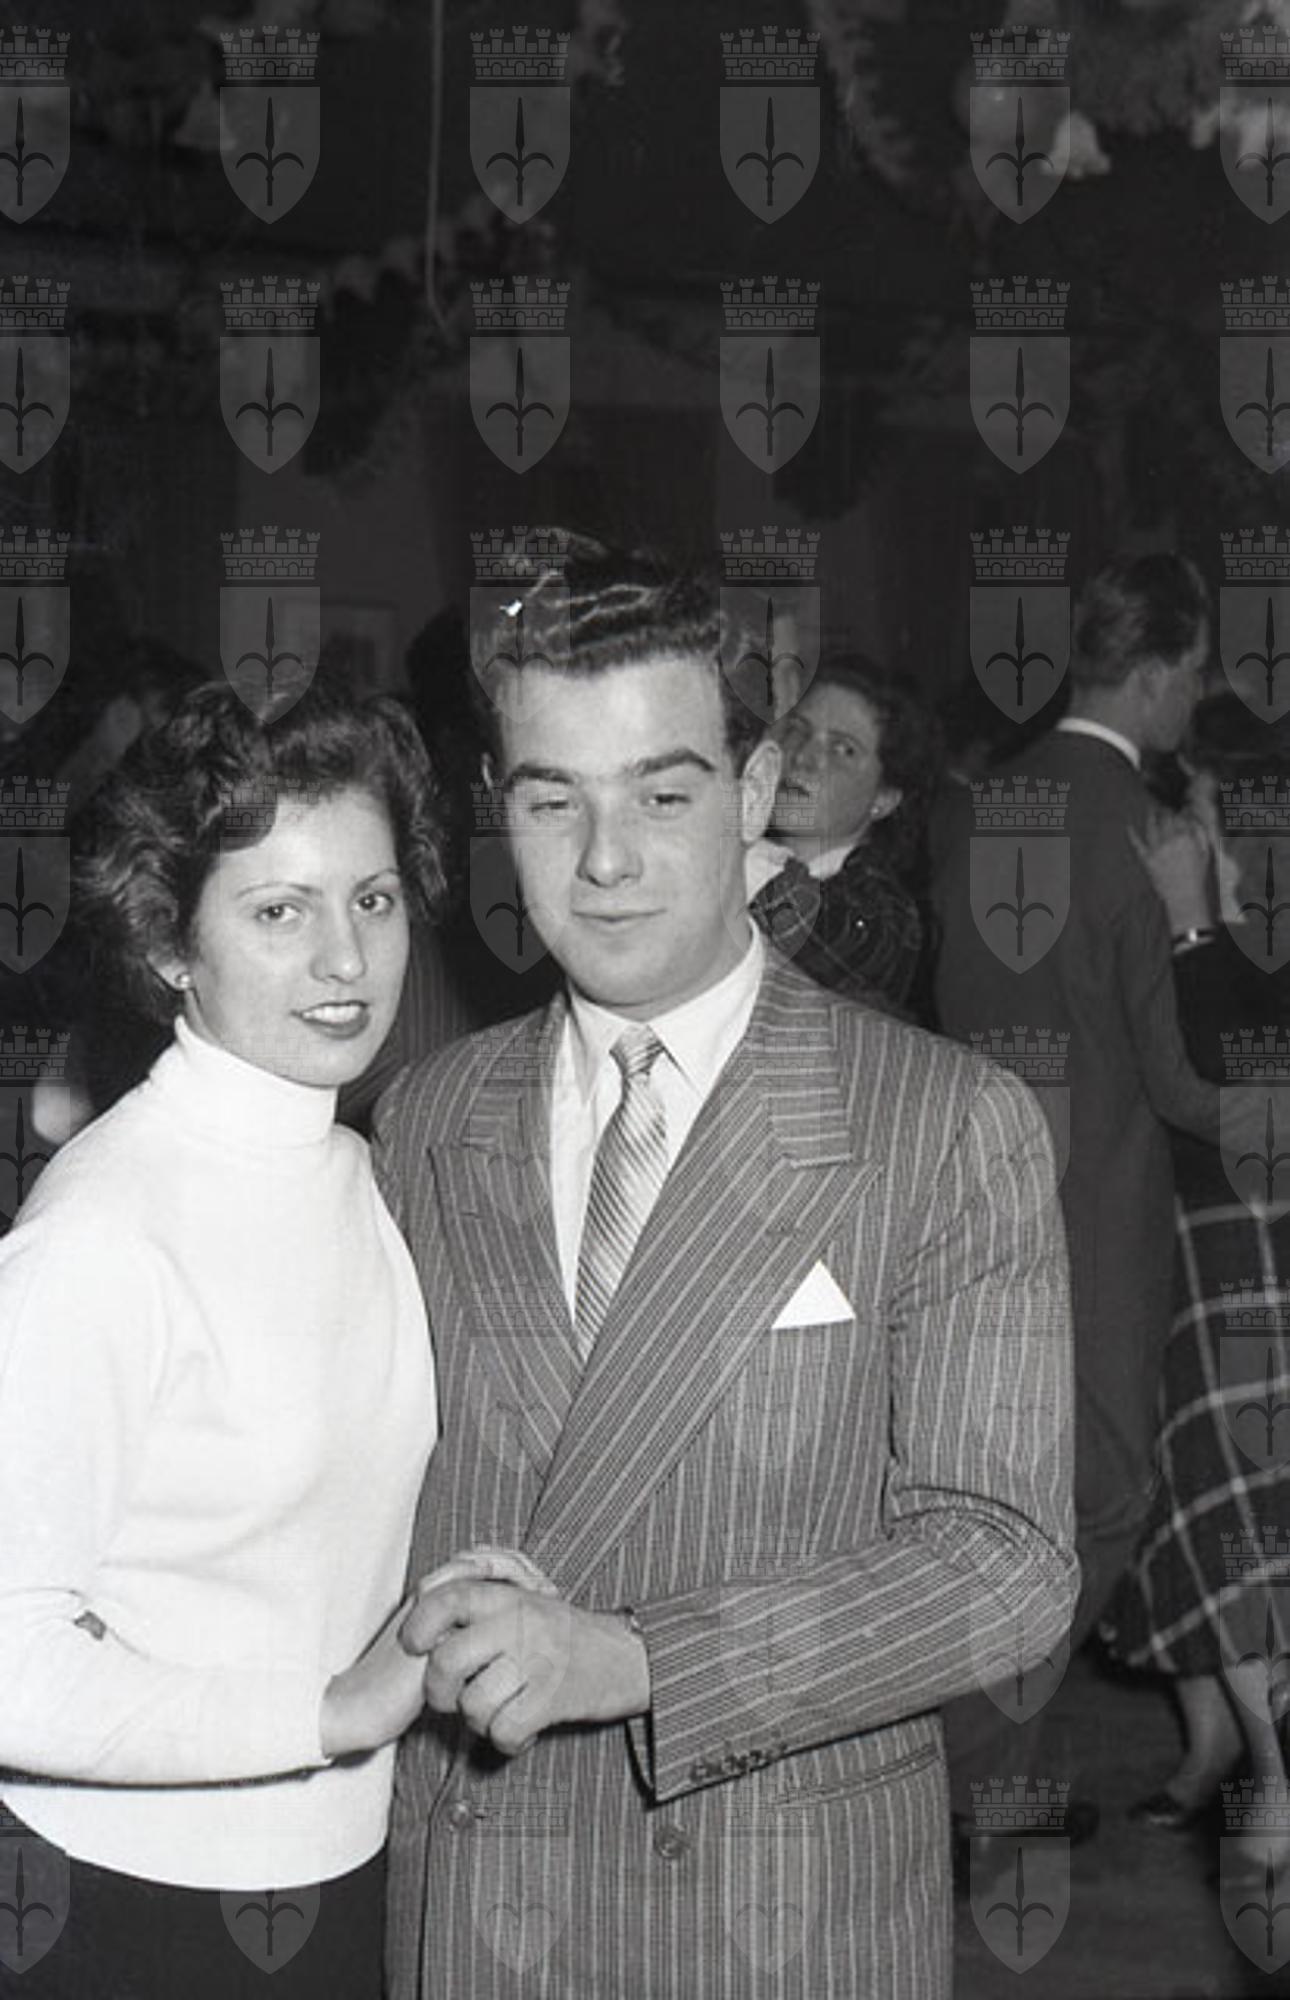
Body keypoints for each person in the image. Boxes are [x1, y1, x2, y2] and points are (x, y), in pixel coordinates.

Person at [374, 548, 1076, 1999]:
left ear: (754, 793)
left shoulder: (940, 1122)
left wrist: (638, 1661)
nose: (604, 860)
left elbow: (1005, 1568)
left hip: (772, 1915)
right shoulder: (429, 1114)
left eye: (662, 795)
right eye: (551, 800)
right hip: (478, 1900)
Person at [0, 679, 532, 2000]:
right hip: (124, 1903)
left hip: (336, 1869)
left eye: (372, 899)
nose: (346, 961)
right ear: (171, 945)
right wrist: (328, 1708)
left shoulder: (354, 1168)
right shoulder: (104, 1232)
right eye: (280, 911)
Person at [931, 552, 1229, 1860]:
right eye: (1196, 673)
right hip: (1096, 1220)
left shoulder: (976, 807)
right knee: (1099, 1501)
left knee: (1003, 1505)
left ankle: (994, 1776)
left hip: (972, 1208)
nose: (1198, 697)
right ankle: (956, 1778)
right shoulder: (1141, 833)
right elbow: (1185, 1082)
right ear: (1154, 675)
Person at [1109, 696, 1290, 1869]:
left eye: (1216, 800)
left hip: (1256, 1235)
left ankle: (1273, 1771)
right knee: (1206, 1502)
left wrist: (1190, 925)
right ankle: (1230, 1746)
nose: (1203, 820)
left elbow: (1238, 1075)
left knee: (1246, 1511)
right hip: (1190, 1230)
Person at [745, 653, 937, 1015]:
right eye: (797, 730)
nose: (803, 757)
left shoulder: (884, 917)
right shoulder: (740, 852)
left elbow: (812, 940)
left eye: (843, 749)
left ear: (884, 798)